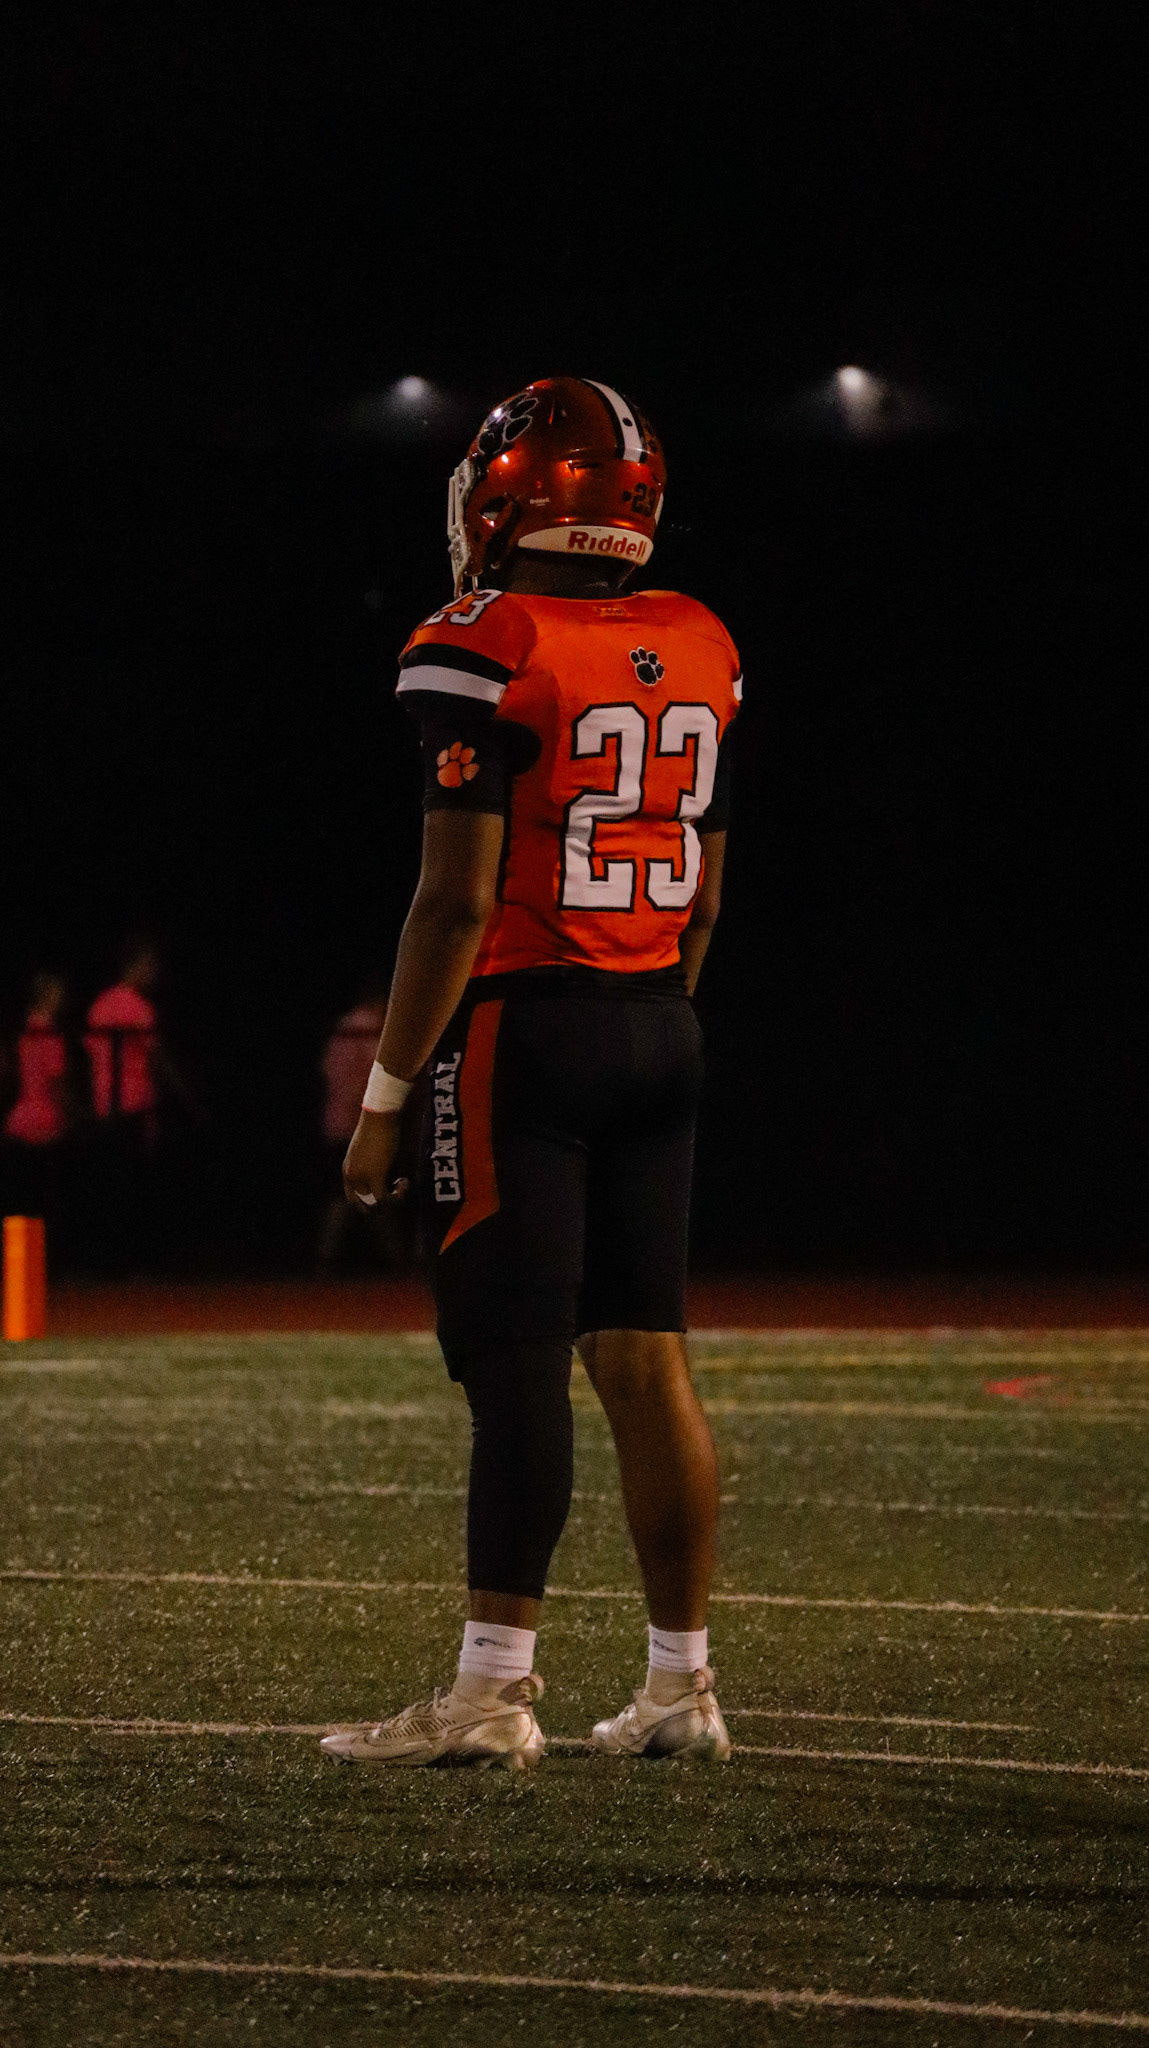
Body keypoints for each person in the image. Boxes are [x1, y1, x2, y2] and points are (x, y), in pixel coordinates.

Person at [322, 378, 742, 1770]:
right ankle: (680, 1683)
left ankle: (489, 1692)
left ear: (513, 495)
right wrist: (643, 1011)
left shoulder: (482, 636)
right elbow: (706, 894)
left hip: (524, 1028)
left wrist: (384, 1100)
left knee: (516, 1366)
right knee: (647, 1357)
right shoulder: (698, 637)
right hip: (659, 1019)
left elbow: (454, 900)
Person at [315, 981, 406, 1271]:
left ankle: (327, 1259)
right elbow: (376, 1076)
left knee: (350, 1194)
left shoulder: (342, 1029)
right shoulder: (371, 1030)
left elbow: (327, 1071)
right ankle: (395, 1259)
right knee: (370, 1191)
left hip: (336, 1122)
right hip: (363, 1125)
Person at [1, 972, 77, 1241]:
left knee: (22, 1195)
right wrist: (71, 1114)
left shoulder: (23, 1031)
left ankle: (22, 1247)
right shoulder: (49, 1034)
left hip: (19, 1118)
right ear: (47, 996)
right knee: (49, 1192)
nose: (62, 999)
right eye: (57, 993)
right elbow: (56, 1082)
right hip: (45, 1118)